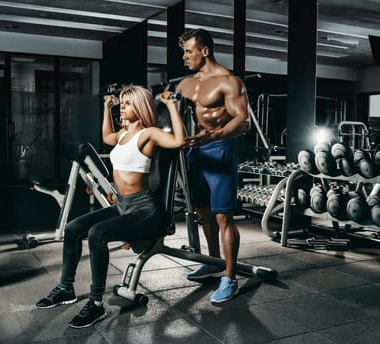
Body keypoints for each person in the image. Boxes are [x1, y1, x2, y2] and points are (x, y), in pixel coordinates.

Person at [35, 85, 186, 328]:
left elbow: (180, 140)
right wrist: (106, 107)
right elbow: (106, 137)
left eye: (127, 104)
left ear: (139, 106)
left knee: (97, 234)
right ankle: (66, 288)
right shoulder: (123, 134)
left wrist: (171, 106)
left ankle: (95, 303)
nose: (122, 108)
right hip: (123, 204)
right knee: (73, 228)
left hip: (144, 208)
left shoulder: (149, 134)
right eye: (121, 104)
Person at [176, 28, 250, 303]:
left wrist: (215, 135)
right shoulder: (186, 84)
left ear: (204, 51)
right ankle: (213, 261)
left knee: (223, 216)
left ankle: (230, 277)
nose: (185, 57)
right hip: (196, 152)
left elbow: (242, 120)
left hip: (220, 149)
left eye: (188, 51)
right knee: (202, 212)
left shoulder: (229, 81)